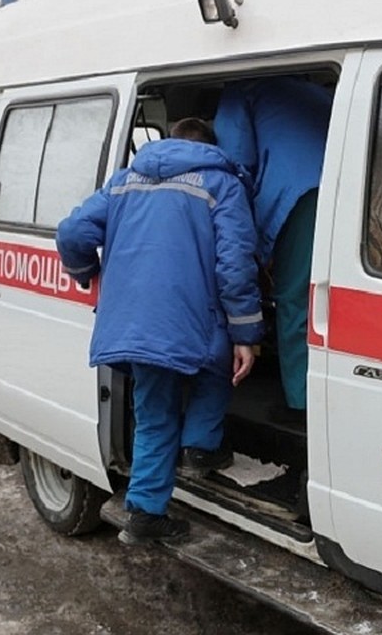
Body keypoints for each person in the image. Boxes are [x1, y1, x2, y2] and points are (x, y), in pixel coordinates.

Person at [56, 118, 263, 545]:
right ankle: (197, 453)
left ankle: (148, 509)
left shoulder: (123, 181)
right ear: (210, 147)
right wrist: (247, 333)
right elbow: (236, 263)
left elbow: (72, 231)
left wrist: (86, 271)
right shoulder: (222, 184)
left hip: (133, 321)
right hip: (192, 318)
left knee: (155, 411)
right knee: (220, 362)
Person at [213, 76, 332, 424]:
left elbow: (234, 162)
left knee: (298, 299)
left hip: (298, 191)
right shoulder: (315, 87)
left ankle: (301, 405)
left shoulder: (241, 88)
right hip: (343, 183)